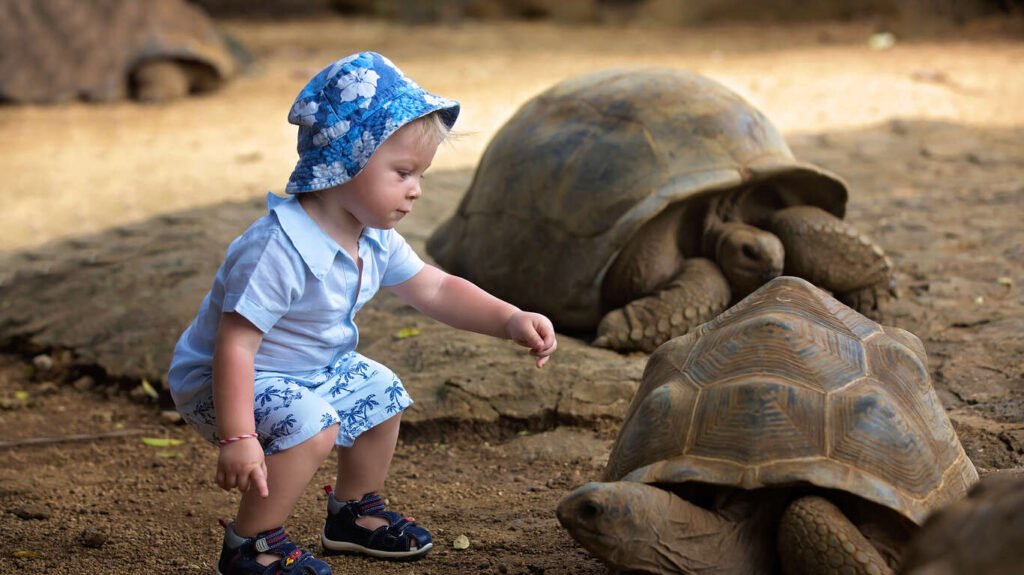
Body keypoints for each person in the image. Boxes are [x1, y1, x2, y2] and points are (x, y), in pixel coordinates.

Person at [167, 52, 557, 575]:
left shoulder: (374, 238)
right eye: (403, 172)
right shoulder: (276, 249)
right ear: (347, 161)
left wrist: (509, 319)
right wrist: (238, 438)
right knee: (313, 424)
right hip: (228, 383)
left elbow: (435, 288)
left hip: (309, 373)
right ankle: (251, 544)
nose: (416, 188)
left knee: (380, 392)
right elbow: (234, 346)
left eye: (419, 174)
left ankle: (352, 513)